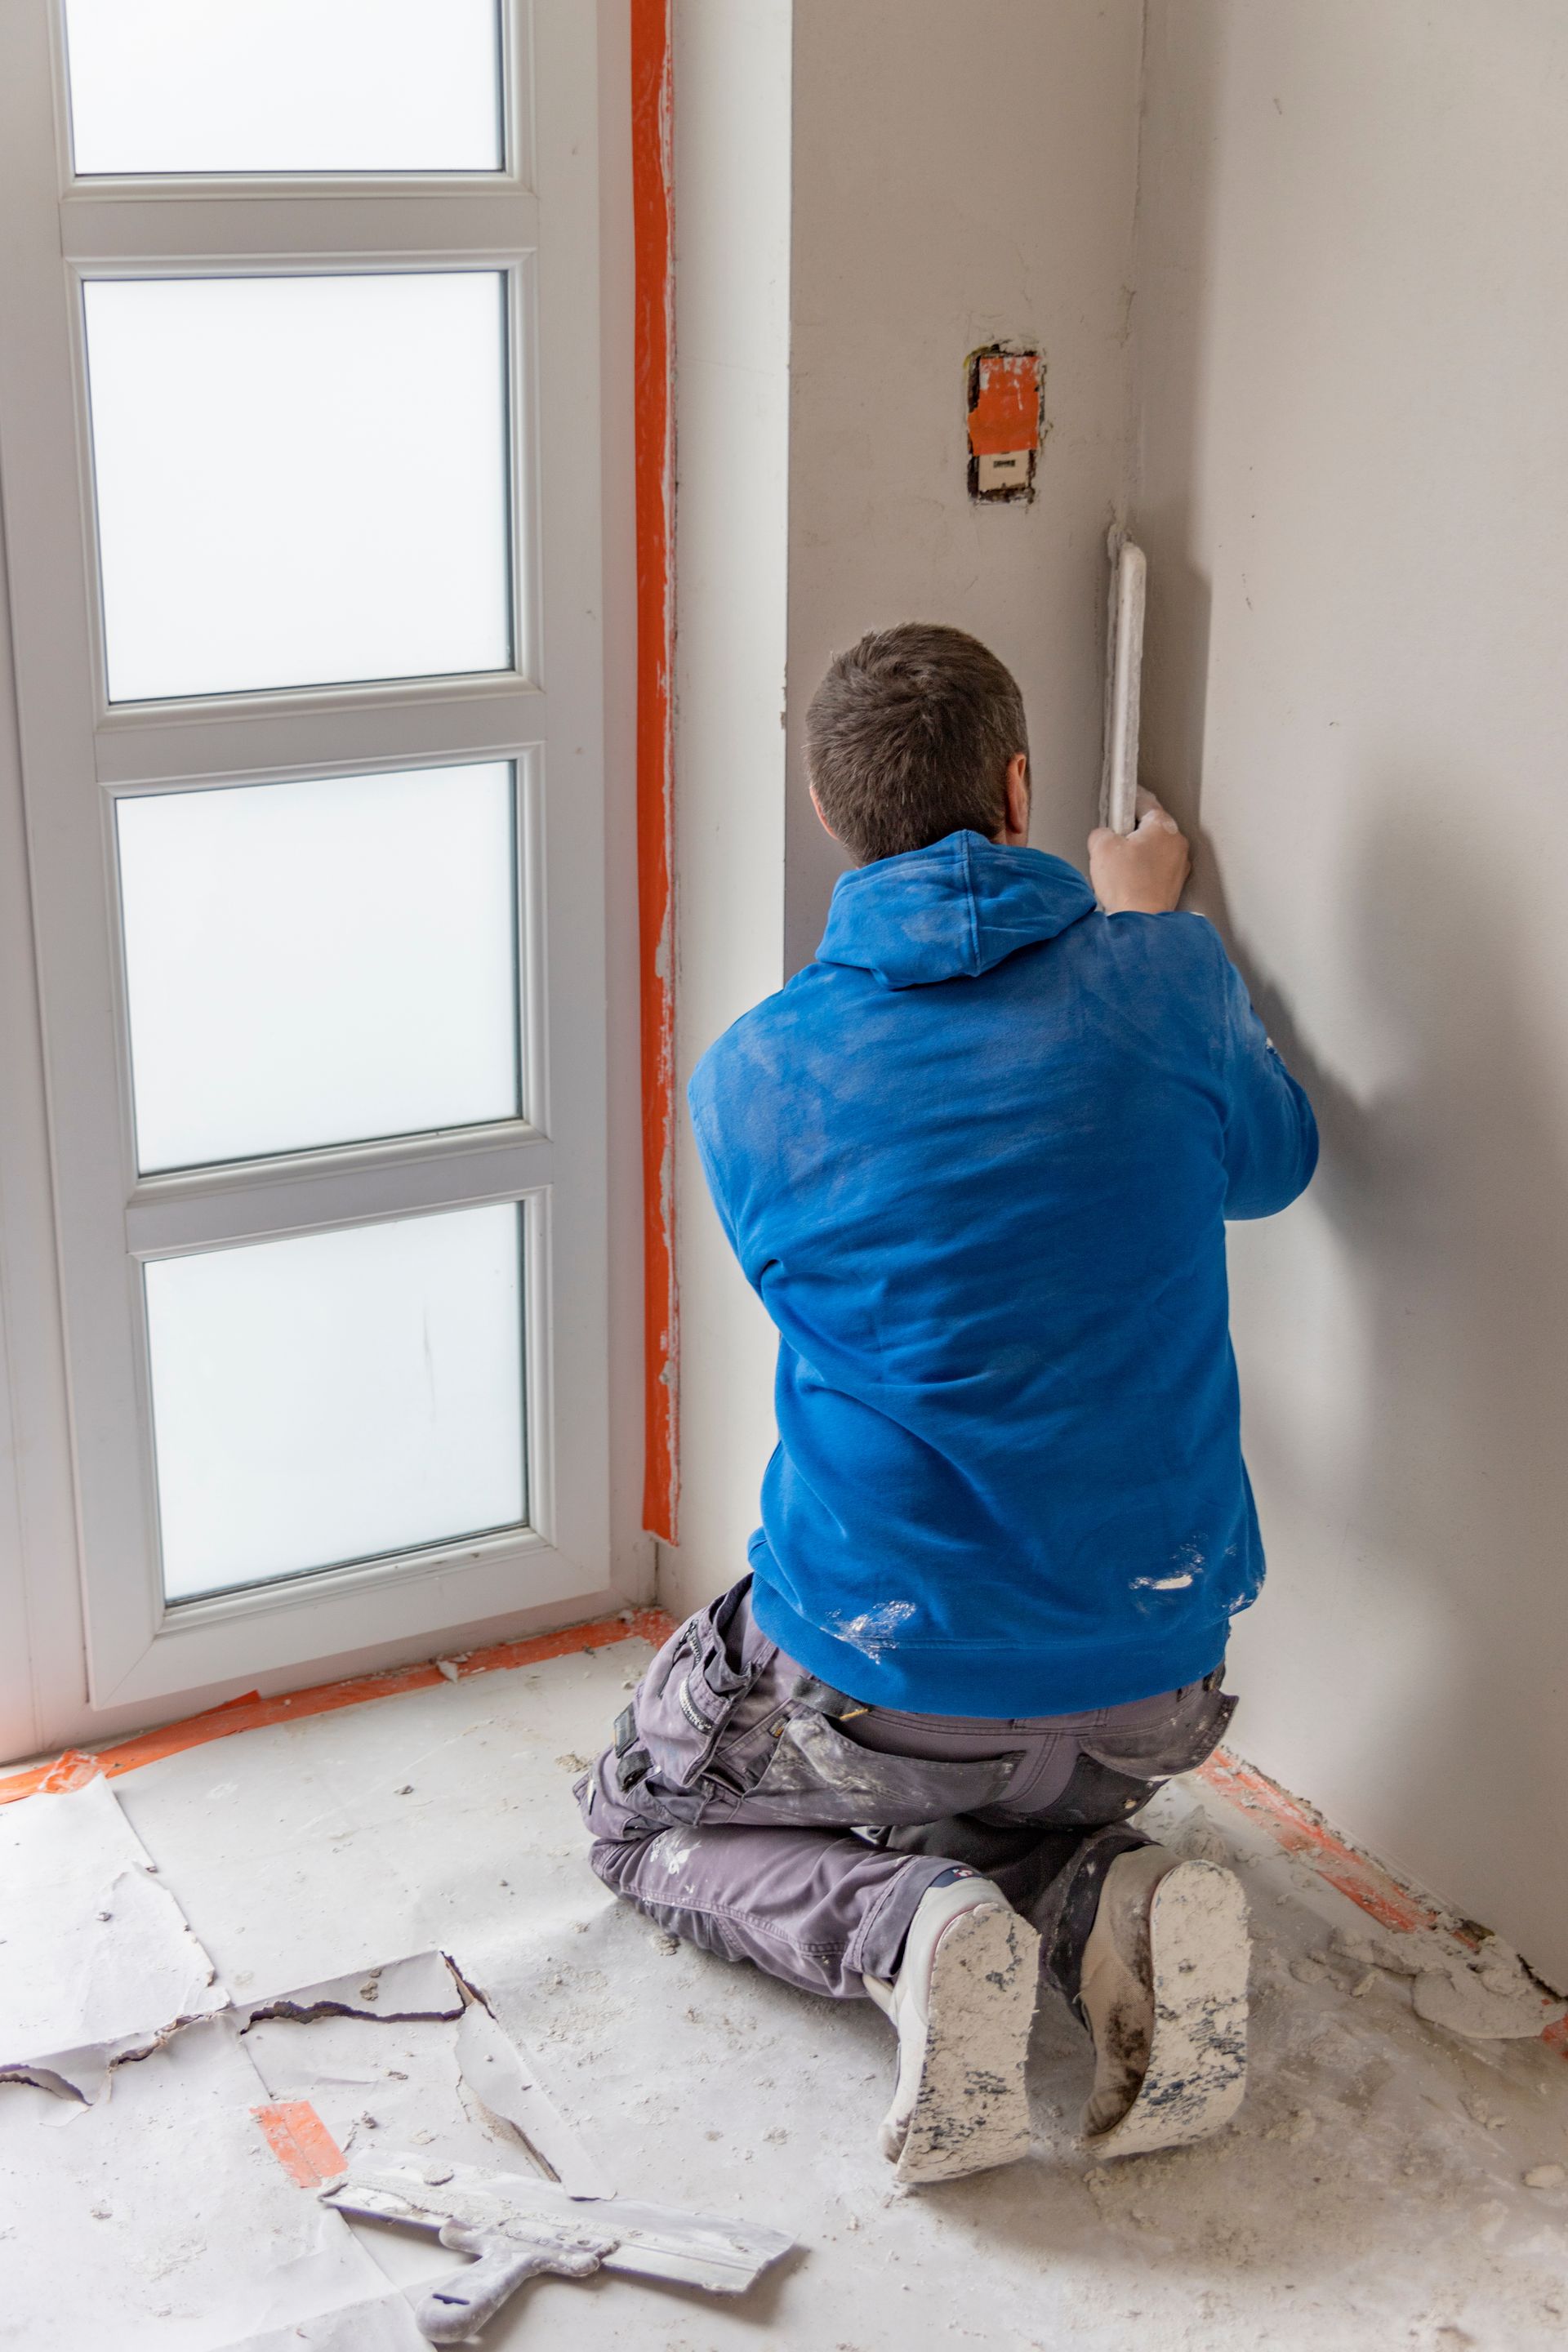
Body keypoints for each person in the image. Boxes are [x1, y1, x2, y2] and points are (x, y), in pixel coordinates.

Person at [577, 623, 1318, 2183]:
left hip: (888, 1684)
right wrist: (1146, 925)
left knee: (639, 1813)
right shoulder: (1168, 981)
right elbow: (1277, 1163)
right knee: (1008, 1761)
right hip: (1156, 1687)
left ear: (828, 812)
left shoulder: (754, 1076)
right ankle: (1099, 1901)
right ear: (1023, 784)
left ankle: (902, 1929)